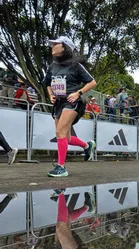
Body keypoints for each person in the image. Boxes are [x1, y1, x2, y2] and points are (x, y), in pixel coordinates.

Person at [44, 36, 96, 177]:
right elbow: (47, 83)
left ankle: (61, 167)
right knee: (64, 137)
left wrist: (78, 93)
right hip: (59, 103)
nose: (52, 46)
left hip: (72, 102)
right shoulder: (52, 67)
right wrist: (50, 95)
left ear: (65, 47)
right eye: (52, 44)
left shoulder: (76, 66)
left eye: (56, 44)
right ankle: (87, 146)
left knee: (60, 132)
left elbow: (92, 82)